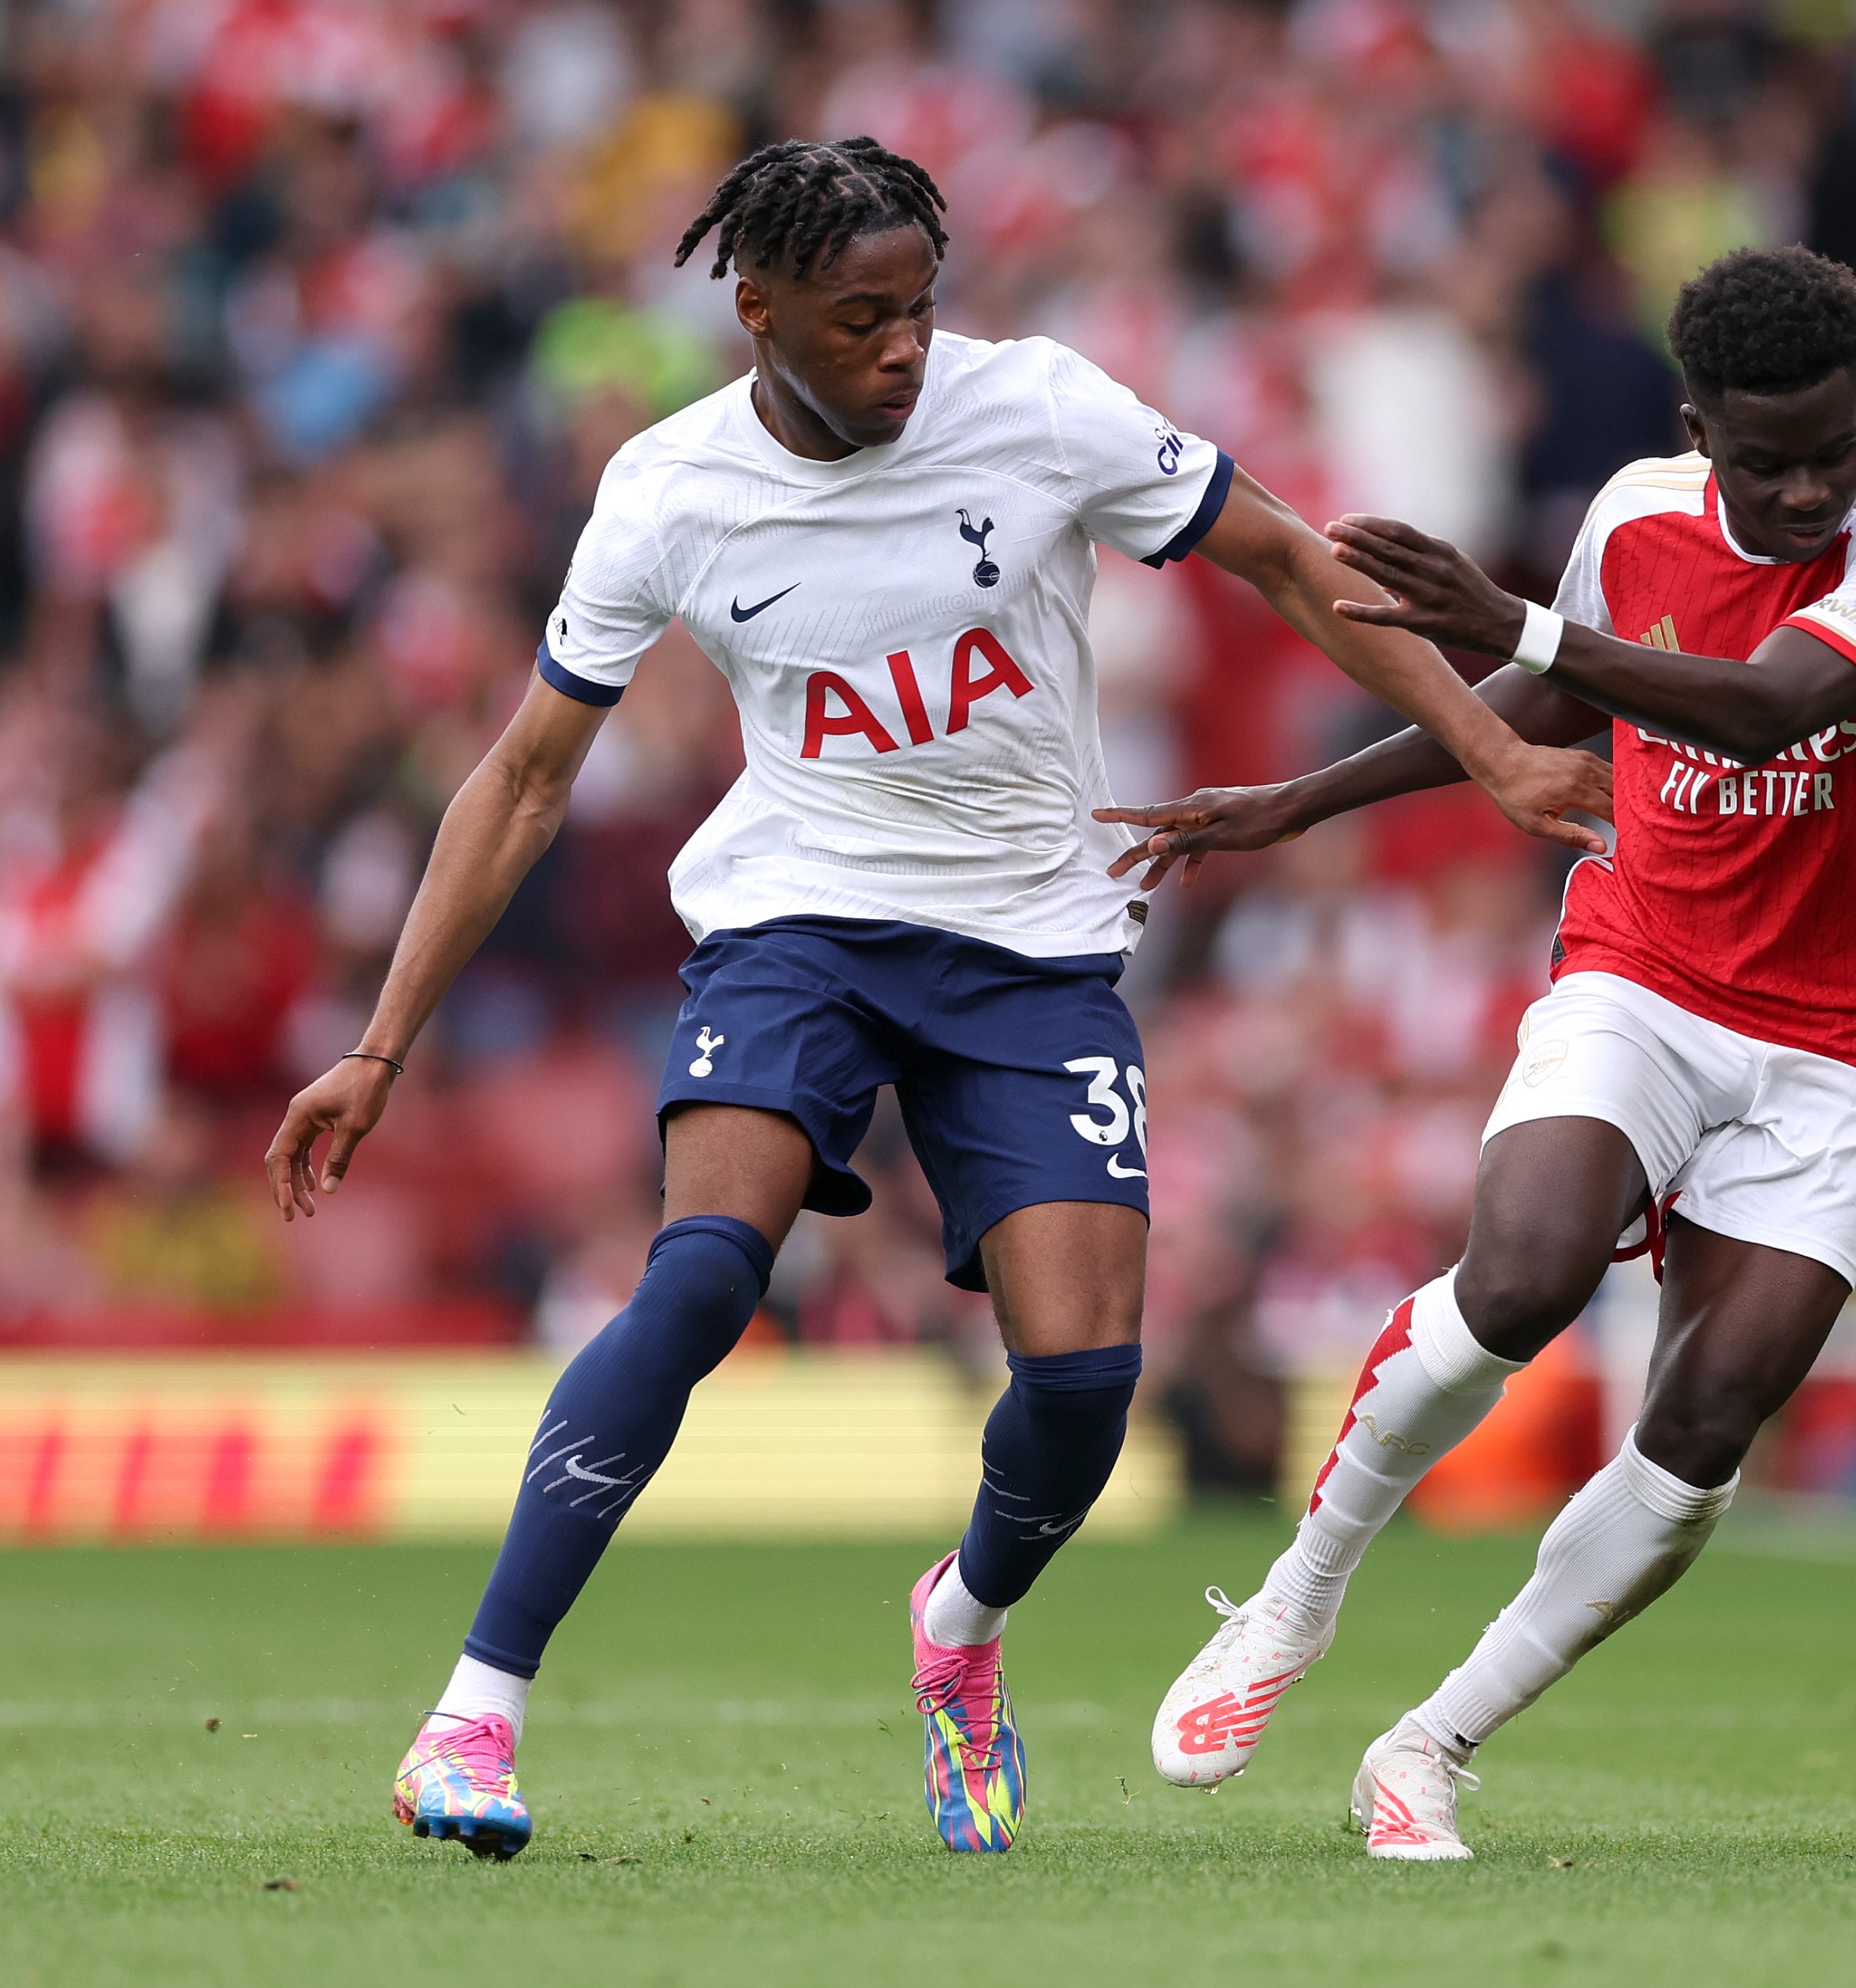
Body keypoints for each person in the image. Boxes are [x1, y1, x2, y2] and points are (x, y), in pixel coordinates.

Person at [261, 136, 1606, 1862]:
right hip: (795, 931)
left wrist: (1491, 743)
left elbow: (1277, 554)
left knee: (1080, 1387)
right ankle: (472, 1714)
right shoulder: (667, 491)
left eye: (916, 311)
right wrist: (381, 1044)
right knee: (699, 1277)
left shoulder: (1040, 411)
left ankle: (958, 1629)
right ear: (754, 312)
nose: (900, 349)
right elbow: (523, 778)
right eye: (856, 320)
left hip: (1029, 952)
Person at [1108, 245, 1856, 1860]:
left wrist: (1511, 615)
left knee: (1705, 1419)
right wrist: (1299, 801)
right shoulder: (1634, 515)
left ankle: (1425, 1745)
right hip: (1644, 970)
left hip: (1846, 1046)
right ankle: (1293, 1603)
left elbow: (1759, 708)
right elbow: (1539, 695)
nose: (1806, 488)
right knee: (1516, 1275)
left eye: (1832, 446)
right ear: (1695, 426)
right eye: (1764, 457)